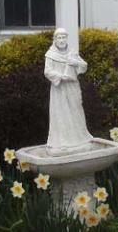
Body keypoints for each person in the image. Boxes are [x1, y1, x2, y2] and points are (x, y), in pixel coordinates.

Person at [44, 28, 93, 156]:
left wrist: (74, 62)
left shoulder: (72, 53)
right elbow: (47, 71)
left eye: (63, 38)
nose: (61, 40)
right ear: (55, 40)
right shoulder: (50, 54)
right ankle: (62, 142)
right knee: (61, 113)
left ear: (66, 39)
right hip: (59, 88)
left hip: (73, 87)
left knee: (76, 111)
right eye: (59, 38)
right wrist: (60, 76)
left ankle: (80, 139)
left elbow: (84, 66)